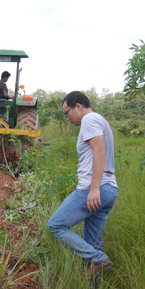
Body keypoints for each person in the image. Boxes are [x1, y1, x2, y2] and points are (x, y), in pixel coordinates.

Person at [47, 91, 117, 278]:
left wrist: (94, 188)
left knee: (55, 226)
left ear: (78, 106)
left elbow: (99, 152)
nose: (66, 117)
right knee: (93, 244)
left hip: (94, 188)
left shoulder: (89, 120)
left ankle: (99, 258)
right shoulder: (101, 120)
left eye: (66, 112)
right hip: (109, 189)